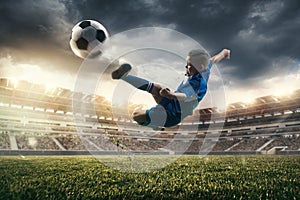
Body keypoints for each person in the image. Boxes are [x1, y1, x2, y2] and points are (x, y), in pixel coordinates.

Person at [112, 48, 230, 130]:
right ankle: (122, 76)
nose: (186, 67)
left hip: (172, 115)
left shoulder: (198, 84)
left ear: (199, 67)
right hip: (173, 103)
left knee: (136, 114)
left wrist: (171, 95)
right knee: (157, 88)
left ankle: (154, 125)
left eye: (188, 66)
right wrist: (224, 53)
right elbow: (213, 60)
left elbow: (185, 96)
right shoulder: (204, 69)